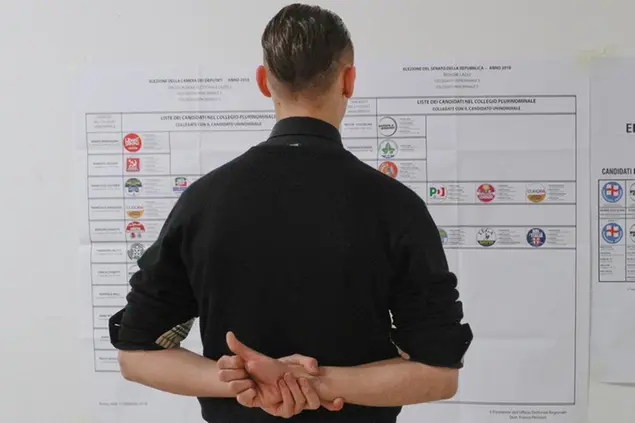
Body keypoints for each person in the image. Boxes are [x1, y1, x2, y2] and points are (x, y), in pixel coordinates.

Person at [109, 3, 473, 423]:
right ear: (349, 79)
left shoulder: (202, 202)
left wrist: (244, 381)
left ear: (264, 82)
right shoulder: (397, 207)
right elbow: (439, 372)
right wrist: (315, 383)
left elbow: (137, 354)